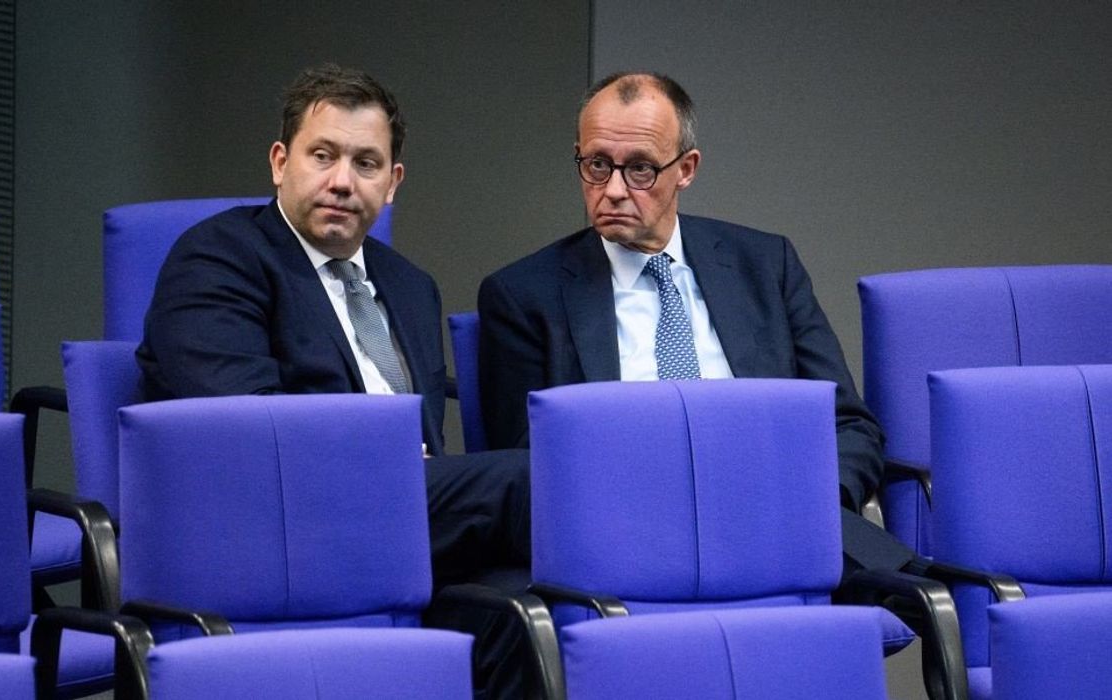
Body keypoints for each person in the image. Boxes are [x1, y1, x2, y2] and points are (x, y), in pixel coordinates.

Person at [136, 64, 529, 697]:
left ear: (393, 182)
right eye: (323, 155)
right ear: (279, 161)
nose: (342, 181)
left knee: (519, 606)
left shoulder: (408, 285)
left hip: (395, 528)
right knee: (537, 479)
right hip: (277, 521)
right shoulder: (219, 257)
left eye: (366, 163)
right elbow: (247, 431)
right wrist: (387, 455)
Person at [478, 71, 915, 574]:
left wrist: (814, 498)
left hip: (776, 520)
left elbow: (847, 423)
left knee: (937, 594)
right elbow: (525, 468)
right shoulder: (523, 294)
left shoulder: (765, 265)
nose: (613, 190)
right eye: (597, 165)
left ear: (685, 169)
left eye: (640, 169)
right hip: (629, 538)